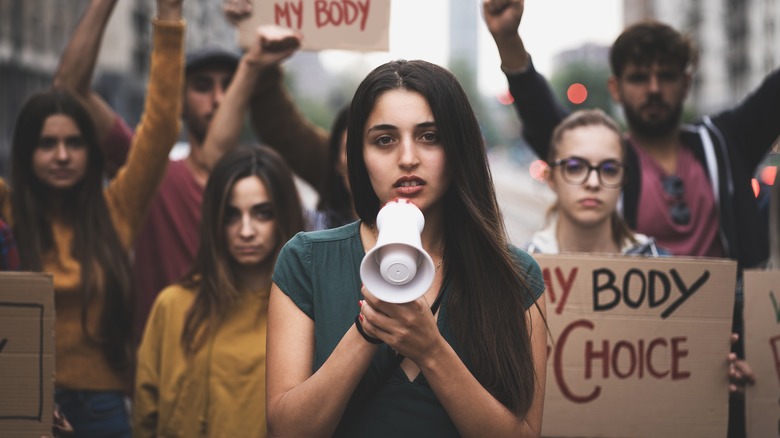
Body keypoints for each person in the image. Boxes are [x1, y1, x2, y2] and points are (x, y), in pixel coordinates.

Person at [266, 59, 548, 437]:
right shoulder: (306, 261)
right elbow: (288, 430)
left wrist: (430, 350)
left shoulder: (517, 277)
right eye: (384, 140)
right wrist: (369, 329)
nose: (408, 158)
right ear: (358, 156)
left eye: (429, 136)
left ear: (459, 147)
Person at [52, 0, 327, 344]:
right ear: (177, 99)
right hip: (163, 365)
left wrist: (256, 60)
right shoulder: (149, 172)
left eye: (229, 84)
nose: (217, 98)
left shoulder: (271, 186)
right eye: (202, 86)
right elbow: (68, 89)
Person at [0, 0, 184, 434]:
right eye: (47, 144)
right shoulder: (7, 211)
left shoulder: (116, 209)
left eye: (75, 143)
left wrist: (171, 15)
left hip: (102, 409)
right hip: (18, 400)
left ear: (92, 151)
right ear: (27, 154)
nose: (62, 155)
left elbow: (158, 129)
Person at [483, 0, 780, 270]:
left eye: (666, 76)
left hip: (731, 326)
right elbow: (543, 116)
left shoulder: (723, 144)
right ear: (616, 88)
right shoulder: (605, 159)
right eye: (639, 77)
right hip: (633, 328)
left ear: (687, 83)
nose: (653, 88)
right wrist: (508, 40)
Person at [133, 145, 304, 438]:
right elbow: (145, 416)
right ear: (214, 220)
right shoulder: (172, 306)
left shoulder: (304, 313)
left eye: (262, 213)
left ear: (283, 215)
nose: (246, 230)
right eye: (231, 215)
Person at [223, 0, 356, 229]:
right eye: (351, 149)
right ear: (336, 162)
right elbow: (278, 124)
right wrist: (257, 36)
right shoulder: (316, 234)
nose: (361, 159)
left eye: (383, 141)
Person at [524, 109, 667, 256]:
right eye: (574, 167)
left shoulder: (660, 266)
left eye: (610, 170)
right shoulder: (519, 271)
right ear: (550, 178)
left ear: (624, 179)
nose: (593, 183)